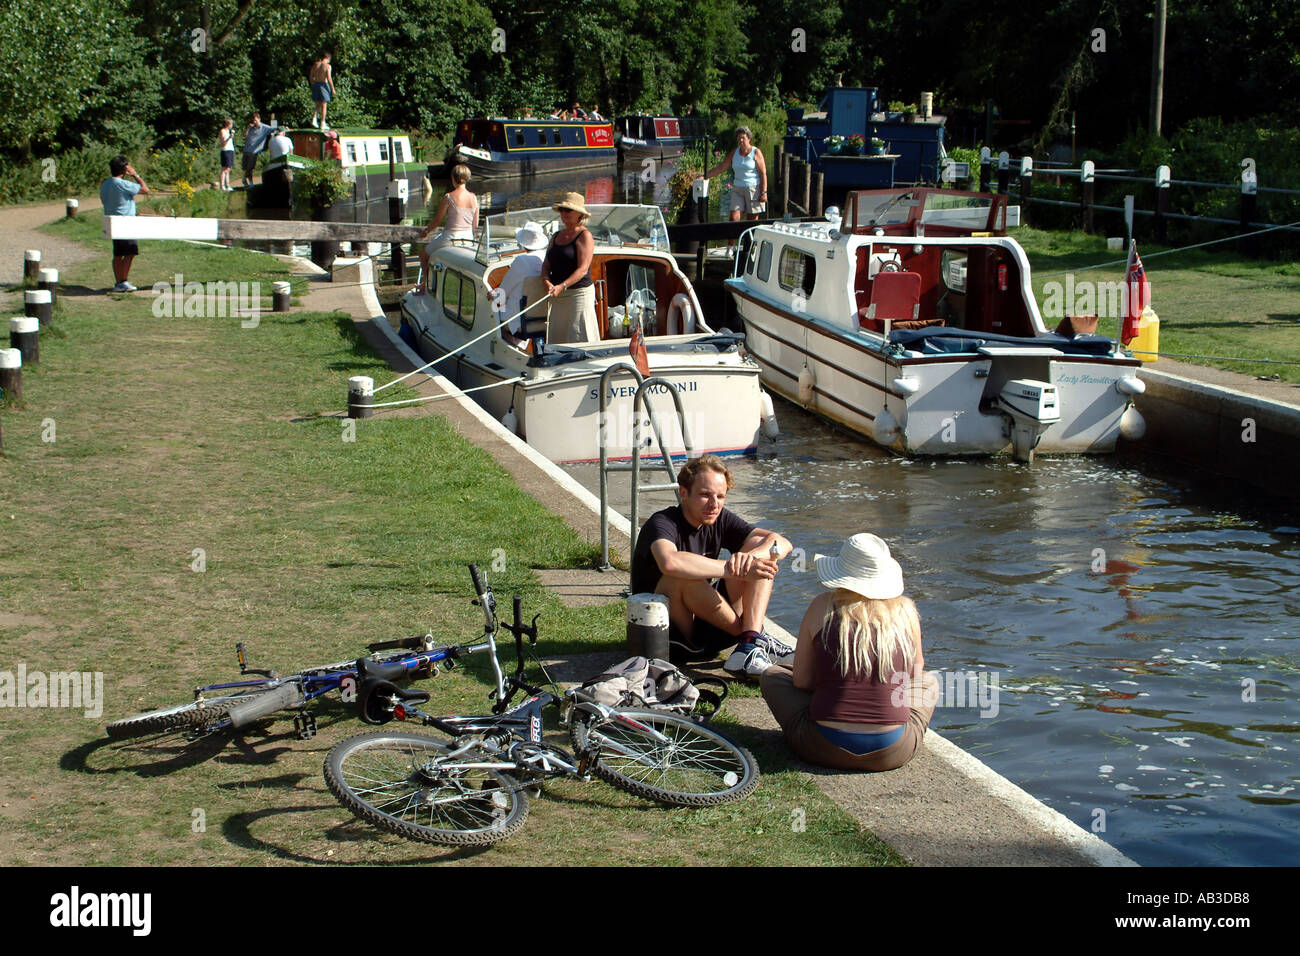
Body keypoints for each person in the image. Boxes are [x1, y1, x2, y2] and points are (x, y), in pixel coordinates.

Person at [760, 533, 939, 772]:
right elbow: (914, 675)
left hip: (821, 746)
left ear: (841, 573)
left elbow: (802, 680)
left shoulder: (821, 606)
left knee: (772, 675)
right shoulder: (906, 611)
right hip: (892, 752)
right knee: (929, 682)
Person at [630, 454, 795, 677]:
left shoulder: (720, 518)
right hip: (671, 637)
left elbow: (782, 543)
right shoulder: (662, 522)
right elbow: (670, 562)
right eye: (705, 495)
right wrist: (731, 567)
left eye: (720, 496)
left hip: (709, 626)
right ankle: (754, 637)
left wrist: (752, 557)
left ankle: (751, 643)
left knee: (760, 547)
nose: (714, 504)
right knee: (681, 576)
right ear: (683, 493)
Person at [542, 192, 598, 343]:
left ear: (579, 214)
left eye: (568, 210)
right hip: (557, 296)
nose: (563, 213)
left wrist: (562, 286)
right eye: (561, 210)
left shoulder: (585, 236)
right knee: (557, 339)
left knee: (580, 336)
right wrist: (547, 281)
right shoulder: (555, 236)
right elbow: (546, 265)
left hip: (579, 295)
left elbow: (583, 269)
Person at [415, 164, 479, 294]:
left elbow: (438, 221)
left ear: (453, 178)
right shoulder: (474, 197)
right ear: (467, 178)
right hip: (468, 237)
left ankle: (425, 286)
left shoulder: (448, 197)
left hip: (451, 237)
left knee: (423, 255)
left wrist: (426, 232)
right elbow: (475, 225)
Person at [100, 155, 150, 293]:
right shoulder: (122, 184)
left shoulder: (105, 184)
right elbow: (145, 189)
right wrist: (135, 175)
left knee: (118, 254)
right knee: (130, 252)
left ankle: (119, 282)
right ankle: (123, 281)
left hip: (113, 221)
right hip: (126, 223)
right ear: (124, 169)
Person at [494, 221, 548, 347]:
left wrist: (493, 295)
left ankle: (497, 346)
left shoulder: (521, 261)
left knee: (493, 307)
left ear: (523, 242)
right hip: (543, 319)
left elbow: (502, 293)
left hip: (520, 320)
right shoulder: (546, 258)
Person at [705, 125, 768, 222]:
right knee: (733, 219)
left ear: (749, 138)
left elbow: (763, 174)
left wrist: (764, 192)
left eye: (743, 138)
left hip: (753, 189)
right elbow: (722, 167)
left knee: (751, 222)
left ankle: (748, 237)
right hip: (738, 188)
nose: (741, 140)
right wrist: (705, 175)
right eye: (739, 138)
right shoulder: (734, 153)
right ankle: (733, 237)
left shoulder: (756, 152)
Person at [242, 112, 272, 188]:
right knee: (246, 168)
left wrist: (285, 129)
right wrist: (248, 128)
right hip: (246, 150)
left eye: (256, 120)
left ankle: (251, 183)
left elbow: (275, 129)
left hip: (254, 151)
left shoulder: (265, 128)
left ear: (259, 119)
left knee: (250, 168)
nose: (254, 122)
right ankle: (245, 180)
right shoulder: (251, 128)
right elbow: (244, 135)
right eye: (253, 121)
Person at [310, 52, 336, 130]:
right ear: (328, 58)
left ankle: (314, 119)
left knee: (318, 103)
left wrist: (312, 84)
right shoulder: (327, 66)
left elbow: (311, 75)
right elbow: (329, 78)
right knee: (324, 104)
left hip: (316, 84)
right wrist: (333, 89)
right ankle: (322, 122)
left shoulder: (316, 64)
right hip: (323, 84)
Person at [217, 118, 235, 192]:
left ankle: (227, 185)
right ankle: (222, 185)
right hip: (225, 150)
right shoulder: (222, 131)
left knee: (228, 169)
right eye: (231, 124)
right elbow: (223, 143)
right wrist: (229, 138)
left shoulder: (228, 131)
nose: (232, 125)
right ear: (228, 124)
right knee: (224, 169)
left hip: (230, 150)